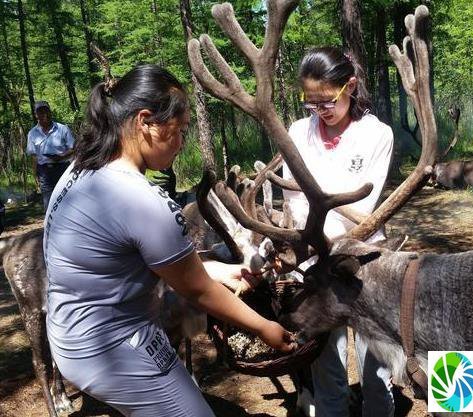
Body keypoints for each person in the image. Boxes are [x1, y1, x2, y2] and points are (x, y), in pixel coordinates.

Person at [44, 64, 296, 417]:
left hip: (70, 334)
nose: (181, 144)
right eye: (178, 131)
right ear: (145, 121)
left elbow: (143, 261)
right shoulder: (139, 198)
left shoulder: (81, 170)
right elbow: (198, 291)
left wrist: (224, 270)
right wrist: (265, 327)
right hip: (111, 346)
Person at [282, 47, 395, 417]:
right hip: (312, 264)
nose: (320, 110)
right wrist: (309, 241)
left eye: (328, 100)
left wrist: (318, 223)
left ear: (350, 85)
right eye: (310, 102)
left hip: (361, 263)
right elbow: (293, 201)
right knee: (324, 362)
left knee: (376, 362)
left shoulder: (377, 135)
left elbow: (365, 210)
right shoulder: (297, 133)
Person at [26, 100, 75, 210]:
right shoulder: (32, 133)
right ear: (36, 115)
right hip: (44, 172)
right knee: (49, 205)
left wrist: (62, 157)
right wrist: (35, 177)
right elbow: (34, 157)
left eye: (46, 110)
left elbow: (73, 149)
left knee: (69, 202)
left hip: (64, 169)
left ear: (50, 111)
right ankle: (52, 226)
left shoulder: (63, 129)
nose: (44, 114)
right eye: (40, 112)